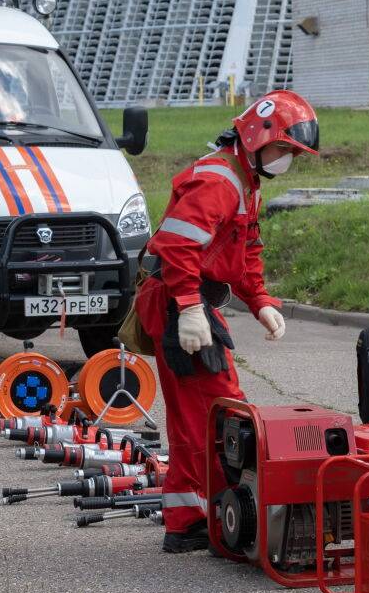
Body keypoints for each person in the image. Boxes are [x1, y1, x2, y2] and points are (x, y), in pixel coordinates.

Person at [134, 90, 320, 553]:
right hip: (180, 299)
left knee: (194, 418)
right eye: (284, 150)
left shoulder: (243, 178)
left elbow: (246, 249)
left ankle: (187, 520)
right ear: (257, 138)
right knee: (224, 416)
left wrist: (259, 300)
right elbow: (178, 248)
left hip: (184, 297)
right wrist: (191, 308)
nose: (287, 160)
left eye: (293, 154)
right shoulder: (222, 181)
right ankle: (225, 516)